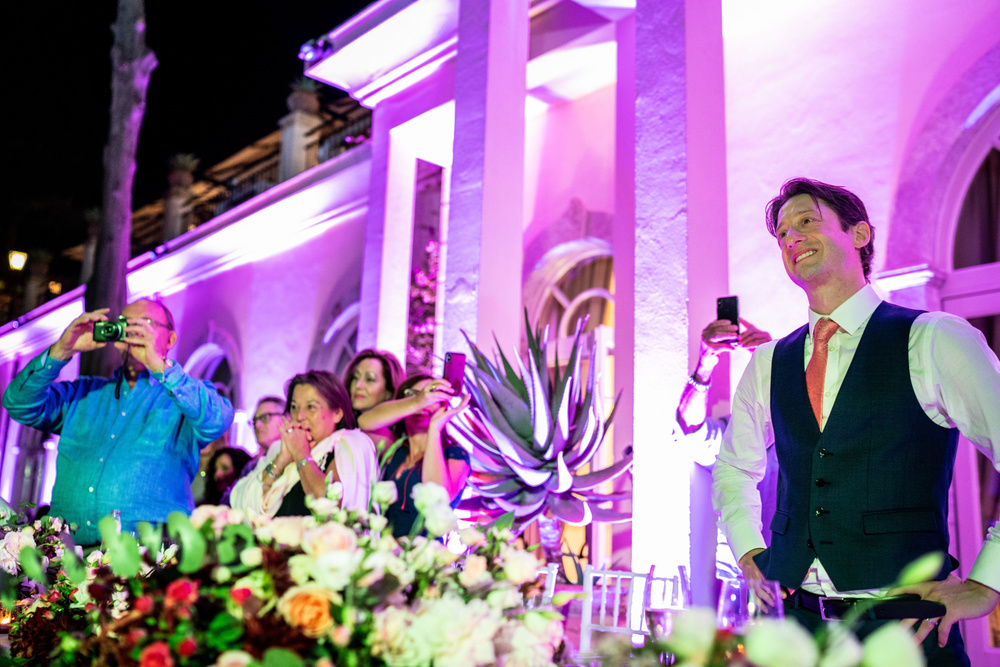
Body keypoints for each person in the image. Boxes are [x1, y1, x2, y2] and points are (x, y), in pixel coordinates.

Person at [712, 178, 1000, 665]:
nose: (792, 237)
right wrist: (747, 553)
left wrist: (986, 583)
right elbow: (733, 468)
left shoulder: (933, 339)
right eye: (782, 233)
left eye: (807, 221)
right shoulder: (768, 362)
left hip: (902, 631)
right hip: (791, 633)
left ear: (860, 234)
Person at [1, 298, 234, 545]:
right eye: (125, 324)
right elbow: (17, 403)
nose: (132, 332)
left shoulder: (182, 397)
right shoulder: (83, 393)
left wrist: (159, 366)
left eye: (145, 324)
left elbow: (218, 420)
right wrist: (61, 351)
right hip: (67, 553)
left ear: (170, 339)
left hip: (148, 554)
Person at [674, 317, 776, 580]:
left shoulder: (811, 427)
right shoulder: (737, 432)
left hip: (806, 579)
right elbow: (690, 433)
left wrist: (775, 362)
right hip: (740, 578)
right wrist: (704, 366)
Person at [228, 370, 377, 516]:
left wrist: (301, 454)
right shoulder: (280, 448)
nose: (299, 416)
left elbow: (332, 509)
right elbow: (245, 504)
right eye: (294, 407)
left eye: (311, 407)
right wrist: (281, 460)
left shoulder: (350, 444)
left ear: (337, 413)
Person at [359, 373, 470, 538]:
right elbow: (365, 422)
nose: (425, 402)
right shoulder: (395, 449)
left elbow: (436, 499)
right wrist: (416, 402)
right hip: (386, 549)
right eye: (414, 394)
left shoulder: (455, 455)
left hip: (427, 552)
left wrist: (434, 430)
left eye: (431, 396)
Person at [218, 395, 285, 507]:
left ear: (286, 418)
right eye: (254, 421)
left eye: (265, 418)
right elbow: (228, 502)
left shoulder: (297, 456)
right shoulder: (252, 466)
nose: (257, 425)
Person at [342, 349, 405, 457]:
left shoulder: (387, 440)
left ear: (389, 392)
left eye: (370, 379)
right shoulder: (343, 425)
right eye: (355, 377)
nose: (358, 385)